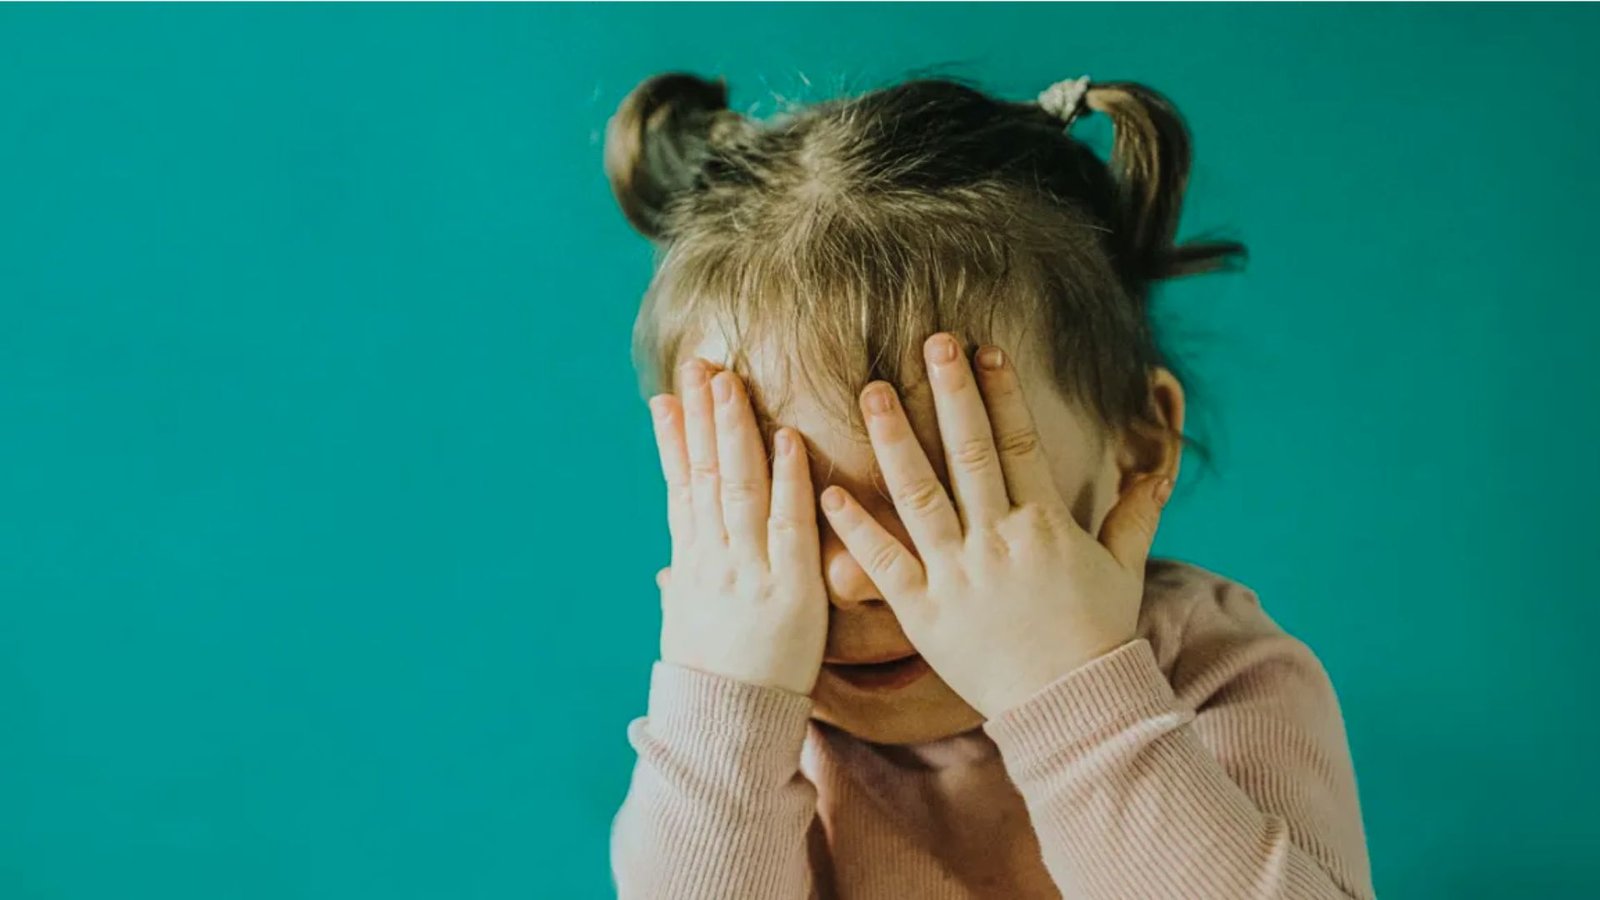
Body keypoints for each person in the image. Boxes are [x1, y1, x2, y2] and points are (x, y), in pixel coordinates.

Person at [600, 69, 1374, 900]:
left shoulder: (1214, 671)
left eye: (941, 492)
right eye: (775, 507)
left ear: (1138, 447)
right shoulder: (744, 724)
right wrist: (724, 712)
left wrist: (1071, 700)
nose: (850, 575)